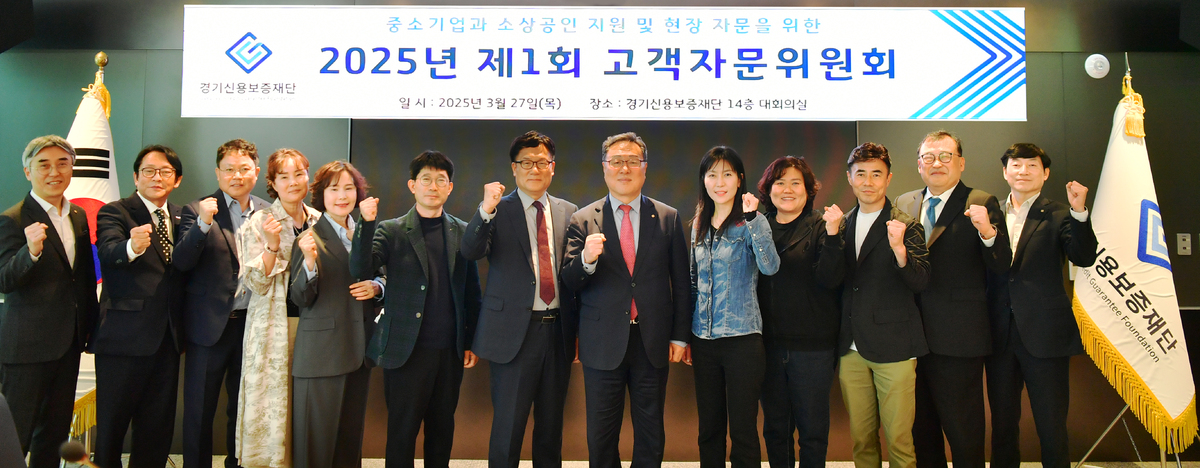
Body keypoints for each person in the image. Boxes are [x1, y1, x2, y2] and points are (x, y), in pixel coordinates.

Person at [561, 132, 691, 468]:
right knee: (601, 432)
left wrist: (679, 336)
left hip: (652, 339)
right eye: (616, 161)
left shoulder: (667, 217)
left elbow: (681, 282)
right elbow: (570, 281)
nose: (624, 168)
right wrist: (586, 260)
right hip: (601, 340)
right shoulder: (583, 219)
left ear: (645, 168)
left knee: (651, 430)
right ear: (604, 167)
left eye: (633, 161)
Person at [349, 150, 481, 468]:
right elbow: (360, 268)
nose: (433, 186)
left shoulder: (462, 231)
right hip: (404, 351)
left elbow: (472, 293)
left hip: (449, 352)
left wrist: (471, 340)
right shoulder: (391, 230)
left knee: (442, 431)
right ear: (412, 185)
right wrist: (366, 223)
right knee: (401, 433)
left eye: (440, 180)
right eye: (426, 179)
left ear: (450, 187)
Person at [460, 131, 578, 468]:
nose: (534, 169)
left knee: (551, 427)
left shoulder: (569, 211)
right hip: (512, 333)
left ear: (552, 167)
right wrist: (485, 209)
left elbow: (574, 276)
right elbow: (470, 250)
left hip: (557, 331)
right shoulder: (497, 209)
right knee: (508, 428)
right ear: (514, 168)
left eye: (542, 162)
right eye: (526, 162)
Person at [895, 131, 1011, 468]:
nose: (937, 163)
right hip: (911, 339)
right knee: (922, 431)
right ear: (919, 165)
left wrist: (988, 233)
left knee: (964, 432)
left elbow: (1001, 264)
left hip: (960, 338)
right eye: (929, 157)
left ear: (961, 163)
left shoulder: (981, 201)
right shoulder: (903, 203)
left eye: (946, 156)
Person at [986, 143, 1097, 468]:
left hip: (1046, 336)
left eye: (1032, 165)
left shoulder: (1061, 213)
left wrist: (1080, 211)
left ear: (1045, 173)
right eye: (1016, 165)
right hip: (998, 335)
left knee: (1051, 424)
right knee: (1002, 425)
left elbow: (1084, 256)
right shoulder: (988, 213)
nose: (1023, 171)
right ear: (1005, 172)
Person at [823, 142, 930, 468]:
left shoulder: (906, 224)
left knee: (899, 441)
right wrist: (831, 236)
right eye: (861, 174)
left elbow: (921, 282)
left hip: (895, 347)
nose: (868, 182)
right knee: (862, 439)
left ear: (888, 178)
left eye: (876, 174)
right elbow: (830, 281)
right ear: (849, 178)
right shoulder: (841, 224)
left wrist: (900, 251)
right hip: (851, 348)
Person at [0, 136, 97, 468]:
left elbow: (82, 279)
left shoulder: (79, 215)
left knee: (53, 436)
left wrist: (89, 330)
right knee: (14, 436)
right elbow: (4, 280)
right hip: (26, 350)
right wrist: (30, 253)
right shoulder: (12, 219)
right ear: (28, 172)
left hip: (68, 345)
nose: (54, 172)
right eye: (44, 165)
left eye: (62, 163)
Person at [174, 138, 270, 468]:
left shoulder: (269, 212)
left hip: (253, 327)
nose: (236, 175)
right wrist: (203, 224)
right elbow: (181, 262)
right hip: (209, 328)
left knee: (244, 410)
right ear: (217, 173)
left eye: (244, 169)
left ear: (256, 172)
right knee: (199, 409)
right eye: (229, 169)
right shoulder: (197, 209)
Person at [92, 145, 187, 468]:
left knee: (156, 428)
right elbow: (107, 253)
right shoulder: (115, 211)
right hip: (123, 339)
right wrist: (131, 247)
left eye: (165, 171)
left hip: (168, 339)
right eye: (148, 171)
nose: (156, 177)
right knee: (112, 426)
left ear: (176, 179)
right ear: (135, 177)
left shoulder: (182, 215)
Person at [686, 146, 779, 468]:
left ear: (739, 179)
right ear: (704, 180)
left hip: (743, 340)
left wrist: (752, 219)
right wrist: (688, 333)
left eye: (727, 174)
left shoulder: (753, 220)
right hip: (704, 340)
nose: (719, 182)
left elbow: (770, 267)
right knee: (709, 428)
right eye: (712, 174)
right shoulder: (698, 222)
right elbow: (694, 282)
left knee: (743, 430)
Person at [289, 161, 381, 468]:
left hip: (360, 350)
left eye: (348, 188)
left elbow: (383, 274)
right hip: (321, 355)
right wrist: (309, 262)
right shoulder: (309, 238)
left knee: (348, 445)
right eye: (334, 189)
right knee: (315, 447)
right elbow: (300, 297)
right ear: (321, 195)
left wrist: (378, 286)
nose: (342, 196)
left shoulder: (367, 232)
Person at [755, 156, 842, 468]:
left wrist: (834, 235)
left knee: (812, 431)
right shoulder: (758, 226)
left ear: (808, 190)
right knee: (775, 429)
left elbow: (831, 279)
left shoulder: (822, 226)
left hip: (813, 348)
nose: (788, 189)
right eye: (780, 182)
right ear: (769, 189)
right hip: (767, 345)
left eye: (796, 183)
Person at [237, 148, 322, 467]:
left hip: (316, 324)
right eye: (284, 176)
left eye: (299, 174)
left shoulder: (320, 220)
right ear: (272, 182)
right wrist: (272, 245)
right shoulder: (260, 221)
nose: (293, 182)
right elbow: (256, 284)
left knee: (308, 402)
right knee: (274, 402)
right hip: (275, 326)